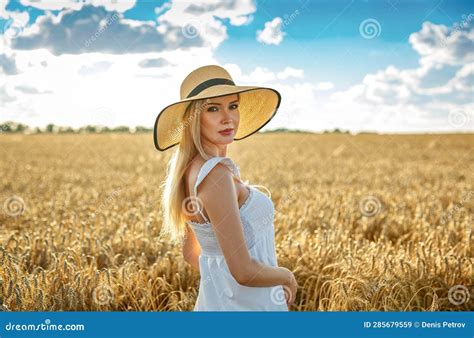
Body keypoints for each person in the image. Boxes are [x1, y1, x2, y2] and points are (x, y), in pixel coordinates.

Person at [154, 64, 298, 311]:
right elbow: (243, 272)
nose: (227, 117)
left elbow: (192, 254)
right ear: (193, 119)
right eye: (212, 109)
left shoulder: (191, 170)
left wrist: (222, 284)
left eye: (233, 106)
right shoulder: (216, 176)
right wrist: (286, 276)